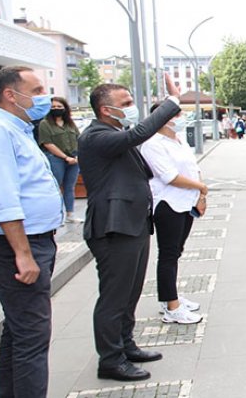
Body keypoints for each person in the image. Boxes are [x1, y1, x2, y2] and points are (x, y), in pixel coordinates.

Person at [0, 65, 64, 397]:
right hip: (14, 246)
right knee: (32, 336)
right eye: (36, 91)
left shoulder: (16, 129)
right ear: (10, 95)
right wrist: (23, 253)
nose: (44, 98)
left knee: (20, 330)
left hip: (32, 240)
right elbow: (2, 196)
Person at [77, 73, 181, 382]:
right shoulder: (96, 135)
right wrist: (172, 102)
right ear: (106, 110)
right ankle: (110, 360)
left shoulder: (113, 131)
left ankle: (126, 345)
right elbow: (136, 135)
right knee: (114, 297)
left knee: (130, 292)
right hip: (113, 228)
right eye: (127, 104)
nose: (132, 108)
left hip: (132, 224)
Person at [139, 103, 207, 325]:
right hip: (168, 204)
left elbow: (193, 167)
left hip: (186, 202)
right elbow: (170, 176)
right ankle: (171, 308)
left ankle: (170, 297)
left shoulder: (178, 140)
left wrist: (200, 194)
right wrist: (201, 188)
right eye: (176, 114)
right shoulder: (152, 144)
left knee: (176, 251)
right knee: (168, 255)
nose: (181, 117)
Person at [38, 97, 82, 223]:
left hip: (74, 159)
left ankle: (70, 214)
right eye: (53, 107)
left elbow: (79, 139)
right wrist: (65, 157)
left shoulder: (70, 124)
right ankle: (58, 216)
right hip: (56, 159)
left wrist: (77, 156)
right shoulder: (45, 124)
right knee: (55, 187)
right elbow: (47, 143)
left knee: (70, 187)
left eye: (59, 106)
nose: (56, 109)